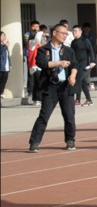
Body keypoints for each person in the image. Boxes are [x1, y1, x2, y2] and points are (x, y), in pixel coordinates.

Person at [28, 24, 78, 152]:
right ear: (55, 33)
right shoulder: (44, 49)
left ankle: (70, 140)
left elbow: (74, 65)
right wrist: (59, 63)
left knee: (69, 116)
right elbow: (41, 63)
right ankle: (34, 142)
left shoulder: (68, 50)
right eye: (63, 33)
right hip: (49, 87)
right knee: (44, 116)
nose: (65, 36)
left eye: (66, 34)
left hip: (65, 86)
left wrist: (73, 75)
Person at [70, 25, 95, 106]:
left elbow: (91, 51)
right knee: (83, 82)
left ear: (80, 31)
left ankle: (77, 100)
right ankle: (89, 100)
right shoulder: (73, 42)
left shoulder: (85, 40)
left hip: (84, 64)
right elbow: (72, 54)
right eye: (73, 31)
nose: (74, 33)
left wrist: (92, 61)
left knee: (78, 80)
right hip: (75, 64)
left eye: (76, 31)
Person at [0, 31, 10, 97]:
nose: (4, 37)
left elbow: (7, 56)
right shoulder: (3, 46)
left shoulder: (4, 45)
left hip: (6, 67)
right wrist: (5, 46)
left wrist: (10, 64)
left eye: (4, 35)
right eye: (2, 35)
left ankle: (1, 93)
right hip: (1, 66)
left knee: (4, 81)